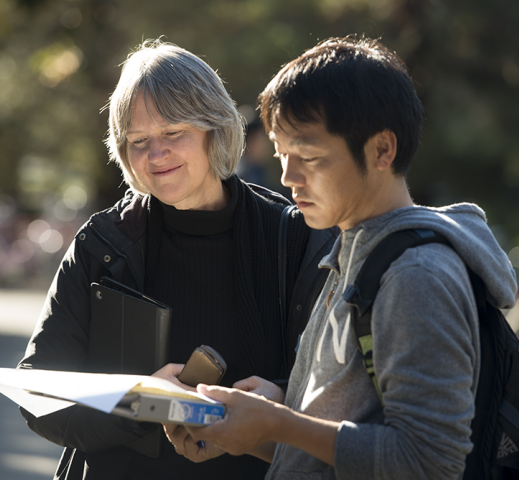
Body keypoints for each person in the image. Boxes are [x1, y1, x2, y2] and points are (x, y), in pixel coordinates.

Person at [172, 36, 518, 479]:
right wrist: (259, 426)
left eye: (309, 157)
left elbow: (427, 462)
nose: (288, 178)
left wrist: (281, 422)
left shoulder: (416, 276)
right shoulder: (353, 252)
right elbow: (339, 447)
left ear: (381, 150)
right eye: (282, 155)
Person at [17, 40, 337, 480]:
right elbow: (37, 392)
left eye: (172, 133)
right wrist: (137, 401)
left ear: (215, 129)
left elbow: (346, 399)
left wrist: (282, 401)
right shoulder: (102, 243)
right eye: (138, 141)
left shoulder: (297, 238)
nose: (155, 154)